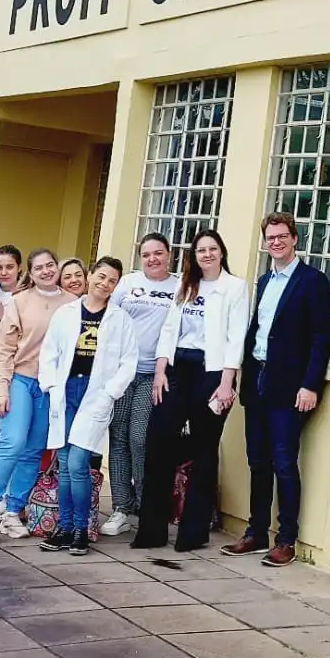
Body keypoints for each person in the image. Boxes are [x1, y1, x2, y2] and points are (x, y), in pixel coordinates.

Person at [225, 213, 330, 567]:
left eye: (282, 236)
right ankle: (256, 532)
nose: (276, 242)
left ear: (294, 239)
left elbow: (321, 338)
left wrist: (310, 384)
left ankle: (286, 538)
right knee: (258, 461)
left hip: (290, 387)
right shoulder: (265, 280)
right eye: (270, 237)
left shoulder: (312, 281)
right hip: (258, 381)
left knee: (285, 462)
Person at [133, 228, 248, 552]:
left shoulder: (234, 288)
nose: (207, 254)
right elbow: (170, 329)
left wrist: (227, 382)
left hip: (212, 372)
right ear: (194, 256)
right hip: (176, 369)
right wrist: (160, 371)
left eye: (212, 249)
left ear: (221, 252)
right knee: (158, 442)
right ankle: (151, 531)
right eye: (201, 250)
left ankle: (192, 533)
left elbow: (235, 336)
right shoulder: (187, 284)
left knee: (204, 448)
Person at [39, 257, 138, 553]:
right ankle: (65, 528)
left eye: (112, 281)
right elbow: (50, 352)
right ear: (91, 275)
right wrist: (52, 384)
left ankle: (80, 528)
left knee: (78, 463)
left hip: (95, 394)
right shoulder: (66, 313)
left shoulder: (120, 319)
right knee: (67, 466)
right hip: (66, 389)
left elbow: (128, 361)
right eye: (101, 276)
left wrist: (110, 392)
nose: (105, 284)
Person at [0, 247, 66, 544]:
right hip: (21, 380)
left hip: (51, 386)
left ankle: (12, 512)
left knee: (34, 449)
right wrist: (1, 390)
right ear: (31, 273)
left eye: (51, 265)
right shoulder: (20, 302)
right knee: (11, 443)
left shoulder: (73, 303)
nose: (47, 271)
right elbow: (4, 349)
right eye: (40, 268)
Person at [103, 233, 177, 535]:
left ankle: (147, 503)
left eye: (158, 253)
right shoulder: (127, 284)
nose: (152, 259)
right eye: (146, 254)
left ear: (169, 255)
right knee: (118, 437)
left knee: (140, 438)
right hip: (123, 373)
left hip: (154, 374)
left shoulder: (181, 286)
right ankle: (121, 506)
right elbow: (107, 318)